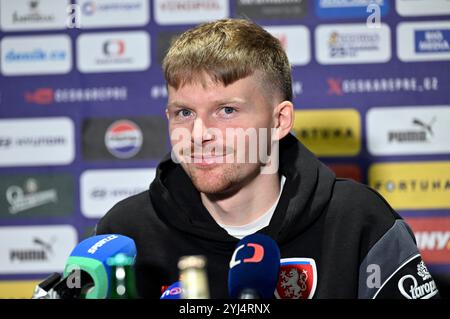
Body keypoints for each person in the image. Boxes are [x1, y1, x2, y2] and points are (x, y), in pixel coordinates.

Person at [96, 18, 439, 299]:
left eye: (226, 110)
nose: (198, 133)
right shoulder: (125, 234)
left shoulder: (360, 221)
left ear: (279, 121)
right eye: (184, 112)